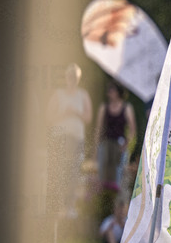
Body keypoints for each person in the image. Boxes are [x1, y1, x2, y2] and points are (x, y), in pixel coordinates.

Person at [46, 62, 92, 216]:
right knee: (60, 170)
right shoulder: (58, 94)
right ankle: (57, 206)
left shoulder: (83, 95)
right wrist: (64, 113)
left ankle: (70, 206)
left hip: (77, 139)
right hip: (60, 138)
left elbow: (88, 117)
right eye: (69, 76)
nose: (72, 79)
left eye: (75, 76)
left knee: (73, 172)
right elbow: (49, 117)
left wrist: (75, 112)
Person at [94, 81, 136, 192]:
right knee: (102, 175)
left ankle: (117, 203)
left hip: (120, 145)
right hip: (105, 144)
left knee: (118, 175)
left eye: (111, 89)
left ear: (118, 92)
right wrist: (96, 146)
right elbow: (98, 128)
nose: (109, 92)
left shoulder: (127, 108)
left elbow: (132, 130)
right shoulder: (104, 108)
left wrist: (127, 145)